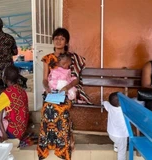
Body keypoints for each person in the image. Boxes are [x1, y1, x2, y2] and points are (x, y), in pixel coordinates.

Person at [37, 28, 92, 160]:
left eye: (62, 38)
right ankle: (47, 145)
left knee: (60, 110)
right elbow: (45, 79)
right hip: (52, 92)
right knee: (46, 109)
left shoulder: (72, 58)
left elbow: (76, 78)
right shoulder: (48, 58)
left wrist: (67, 87)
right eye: (56, 38)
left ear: (66, 42)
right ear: (53, 40)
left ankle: (63, 146)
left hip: (67, 92)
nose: (58, 41)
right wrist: (47, 87)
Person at [103, 92, 129, 160]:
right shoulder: (125, 110)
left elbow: (105, 102)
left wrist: (103, 102)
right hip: (121, 136)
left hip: (111, 134)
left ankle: (116, 147)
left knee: (117, 142)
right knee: (122, 153)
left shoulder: (110, 106)